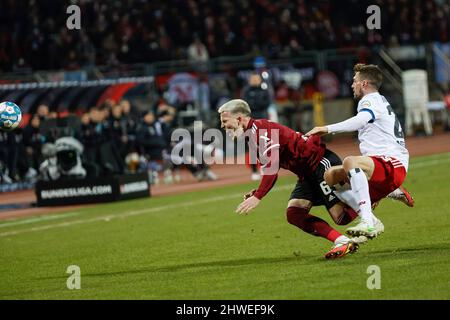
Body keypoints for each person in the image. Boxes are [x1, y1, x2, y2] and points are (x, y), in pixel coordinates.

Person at [218, 99, 361, 259]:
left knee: (341, 217)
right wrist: (258, 191)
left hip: (320, 163)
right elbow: (268, 168)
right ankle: (342, 241)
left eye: (224, 121)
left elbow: (272, 169)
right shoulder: (251, 135)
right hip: (306, 174)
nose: (222, 126)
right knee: (294, 213)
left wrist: (258, 197)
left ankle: (372, 192)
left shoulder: (262, 131)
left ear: (238, 119)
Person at [306, 63, 412, 239]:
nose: (352, 85)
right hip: (380, 166)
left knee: (350, 161)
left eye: (355, 81)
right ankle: (378, 208)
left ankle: (368, 222)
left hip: (392, 163)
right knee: (330, 176)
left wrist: (325, 128)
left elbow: (359, 121)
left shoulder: (369, 100)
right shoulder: (378, 100)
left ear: (364, 84)